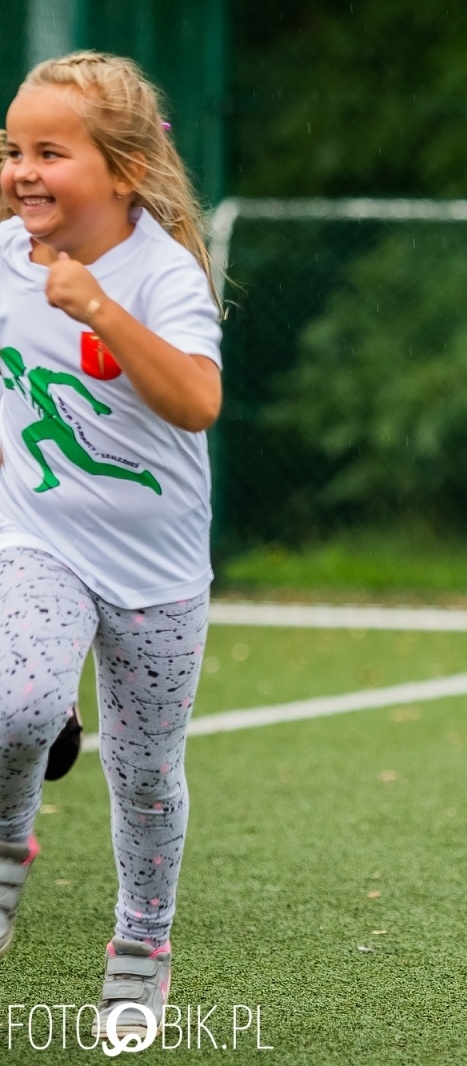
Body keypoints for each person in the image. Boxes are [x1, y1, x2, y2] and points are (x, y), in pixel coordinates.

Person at [0, 52, 223, 1040]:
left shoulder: (161, 271)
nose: (23, 170)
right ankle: (10, 845)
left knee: (142, 770)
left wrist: (100, 308)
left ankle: (141, 943)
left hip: (156, 569)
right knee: (18, 704)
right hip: (34, 537)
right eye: (13, 149)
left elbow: (197, 401)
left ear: (123, 171)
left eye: (51, 151)